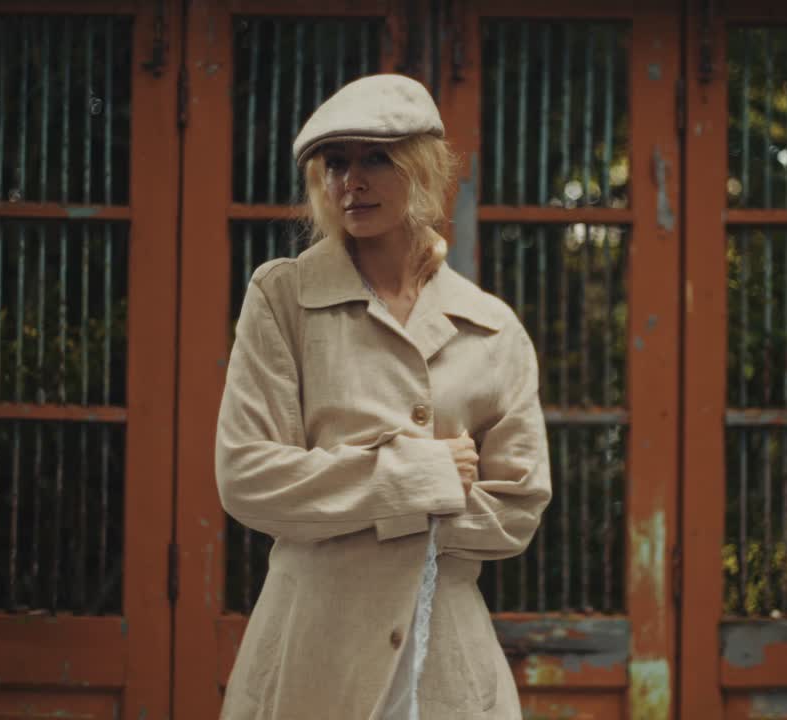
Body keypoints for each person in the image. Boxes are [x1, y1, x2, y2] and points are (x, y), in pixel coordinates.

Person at [215, 73, 551, 720]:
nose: (351, 182)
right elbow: (247, 476)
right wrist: (416, 474)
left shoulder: (492, 326)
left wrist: (363, 505)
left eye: (375, 158)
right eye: (335, 163)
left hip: (445, 656)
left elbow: (517, 508)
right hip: (312, 649)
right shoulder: (283, 298)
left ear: (422, 167)